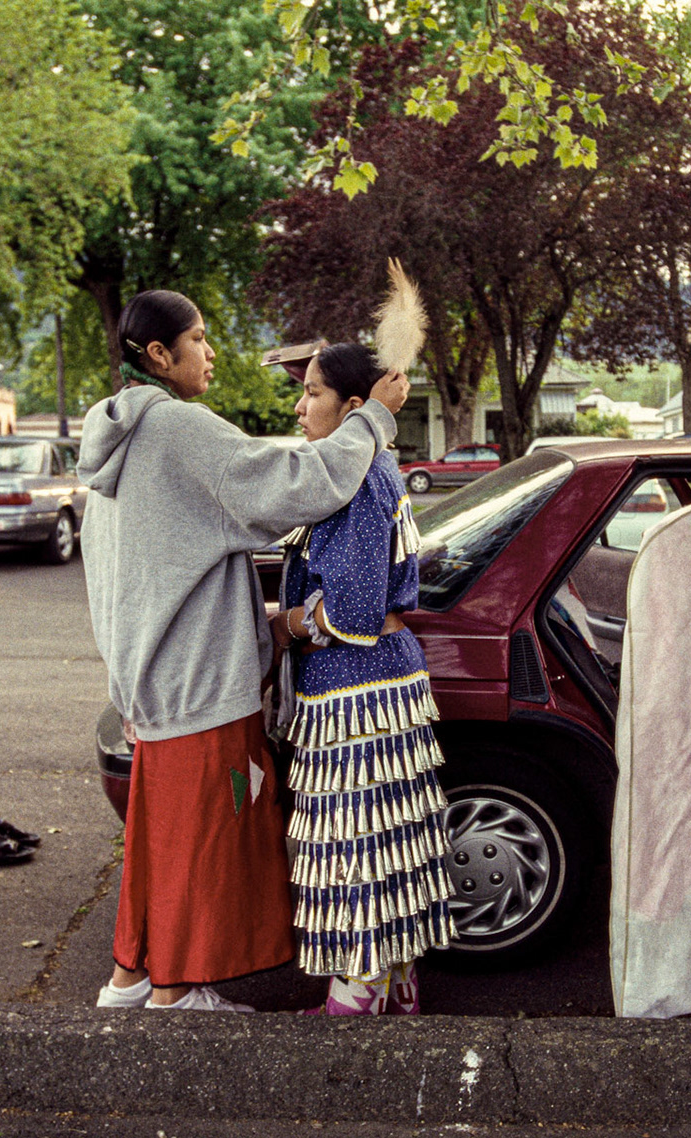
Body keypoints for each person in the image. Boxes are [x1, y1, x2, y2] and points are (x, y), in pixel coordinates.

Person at [79, 291, 408, 1012]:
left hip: (149, 678)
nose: (211, 352)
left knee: (159, 838)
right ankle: (175, 993)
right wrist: (373, 421)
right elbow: (296, 484)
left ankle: (133, 978)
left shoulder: (115, 438)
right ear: (159, 356)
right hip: (199, 684)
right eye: (198, 339)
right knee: (204, 841)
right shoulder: (177, 428)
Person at [271, 343, 454, 1015]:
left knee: (352, 840)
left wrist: (283, 624)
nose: (298, 404)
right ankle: (392, 991)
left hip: (356, 691)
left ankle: (356, 997)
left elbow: (350, 613)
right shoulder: (370, 469)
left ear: (354, 408)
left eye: (313, 392)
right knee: (385, 844)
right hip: (378, 689)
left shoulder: (354, 477)